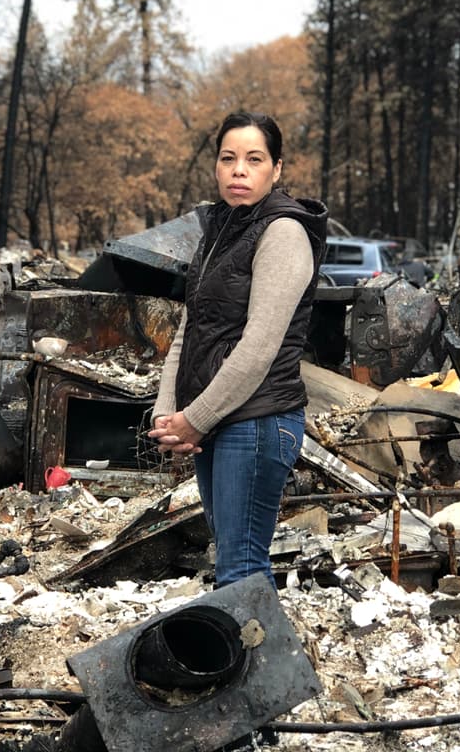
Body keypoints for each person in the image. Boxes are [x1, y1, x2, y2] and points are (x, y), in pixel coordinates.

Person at [148, 111, 328, 588]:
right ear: (216, 167)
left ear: (277, 168)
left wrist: (194, 419)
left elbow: (259, 347)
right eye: (228, 159)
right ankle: (250, 659)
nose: (239, 170)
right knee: (232, 563)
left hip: (258, 422)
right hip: (220, 421)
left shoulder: (283, 232)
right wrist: (168, 412)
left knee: (241, 571)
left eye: (254, 159)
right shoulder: (220, 232)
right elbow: (190, 329)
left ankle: (262, 661)